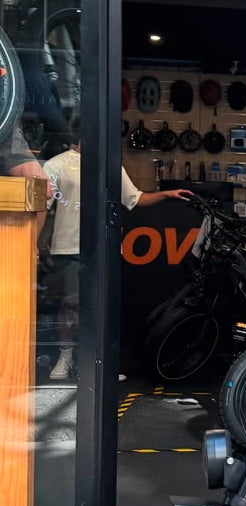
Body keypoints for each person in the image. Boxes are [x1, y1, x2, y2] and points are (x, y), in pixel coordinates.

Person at [42, 122, 192, 379]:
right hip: (66, 247)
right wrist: (37, 243)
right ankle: (65, 358)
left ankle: (95, 365)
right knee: (69, 305)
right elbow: (41, 208)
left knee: (99, 308)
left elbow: (135, 198)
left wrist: (167, 194)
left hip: (102, 248)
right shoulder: (55, 165)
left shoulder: (111, 166)